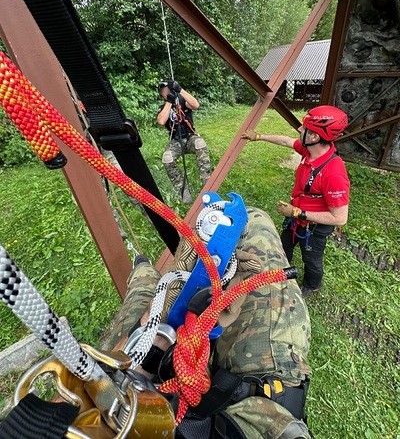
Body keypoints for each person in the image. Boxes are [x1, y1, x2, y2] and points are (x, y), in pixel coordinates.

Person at [107, 205, 313, 439]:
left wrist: (149, 354)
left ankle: (141, 267)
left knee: (143, 286)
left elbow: (86, 401)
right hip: (264, 415)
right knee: (255, 219)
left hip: (137, 402)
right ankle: (142, 270)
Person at [242, 105, 350, 299]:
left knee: (312, 258)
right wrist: (259, 137)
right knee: (284, 245)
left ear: (315, 137)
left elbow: (340, 218)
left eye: (304, 127)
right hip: (296, 217)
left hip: (314, 226)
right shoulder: (310, 152)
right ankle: (281, 270)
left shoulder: (333, 173)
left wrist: (298, 213)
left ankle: (312, 285)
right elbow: (286, 141)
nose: (299, 129)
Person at [157, 80, 212, 204]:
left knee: (200, 144)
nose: (168, 92)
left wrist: (180, 90)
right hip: (176, 141)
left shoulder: (183, 102)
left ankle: (208, 184)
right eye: (165, 92)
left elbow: (196, 105)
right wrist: (168, 102)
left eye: (170, 90)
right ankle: (183, 190)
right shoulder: (162, 108)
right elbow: (161, 121)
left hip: (190, 137)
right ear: (162, 96)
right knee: (167, 158)